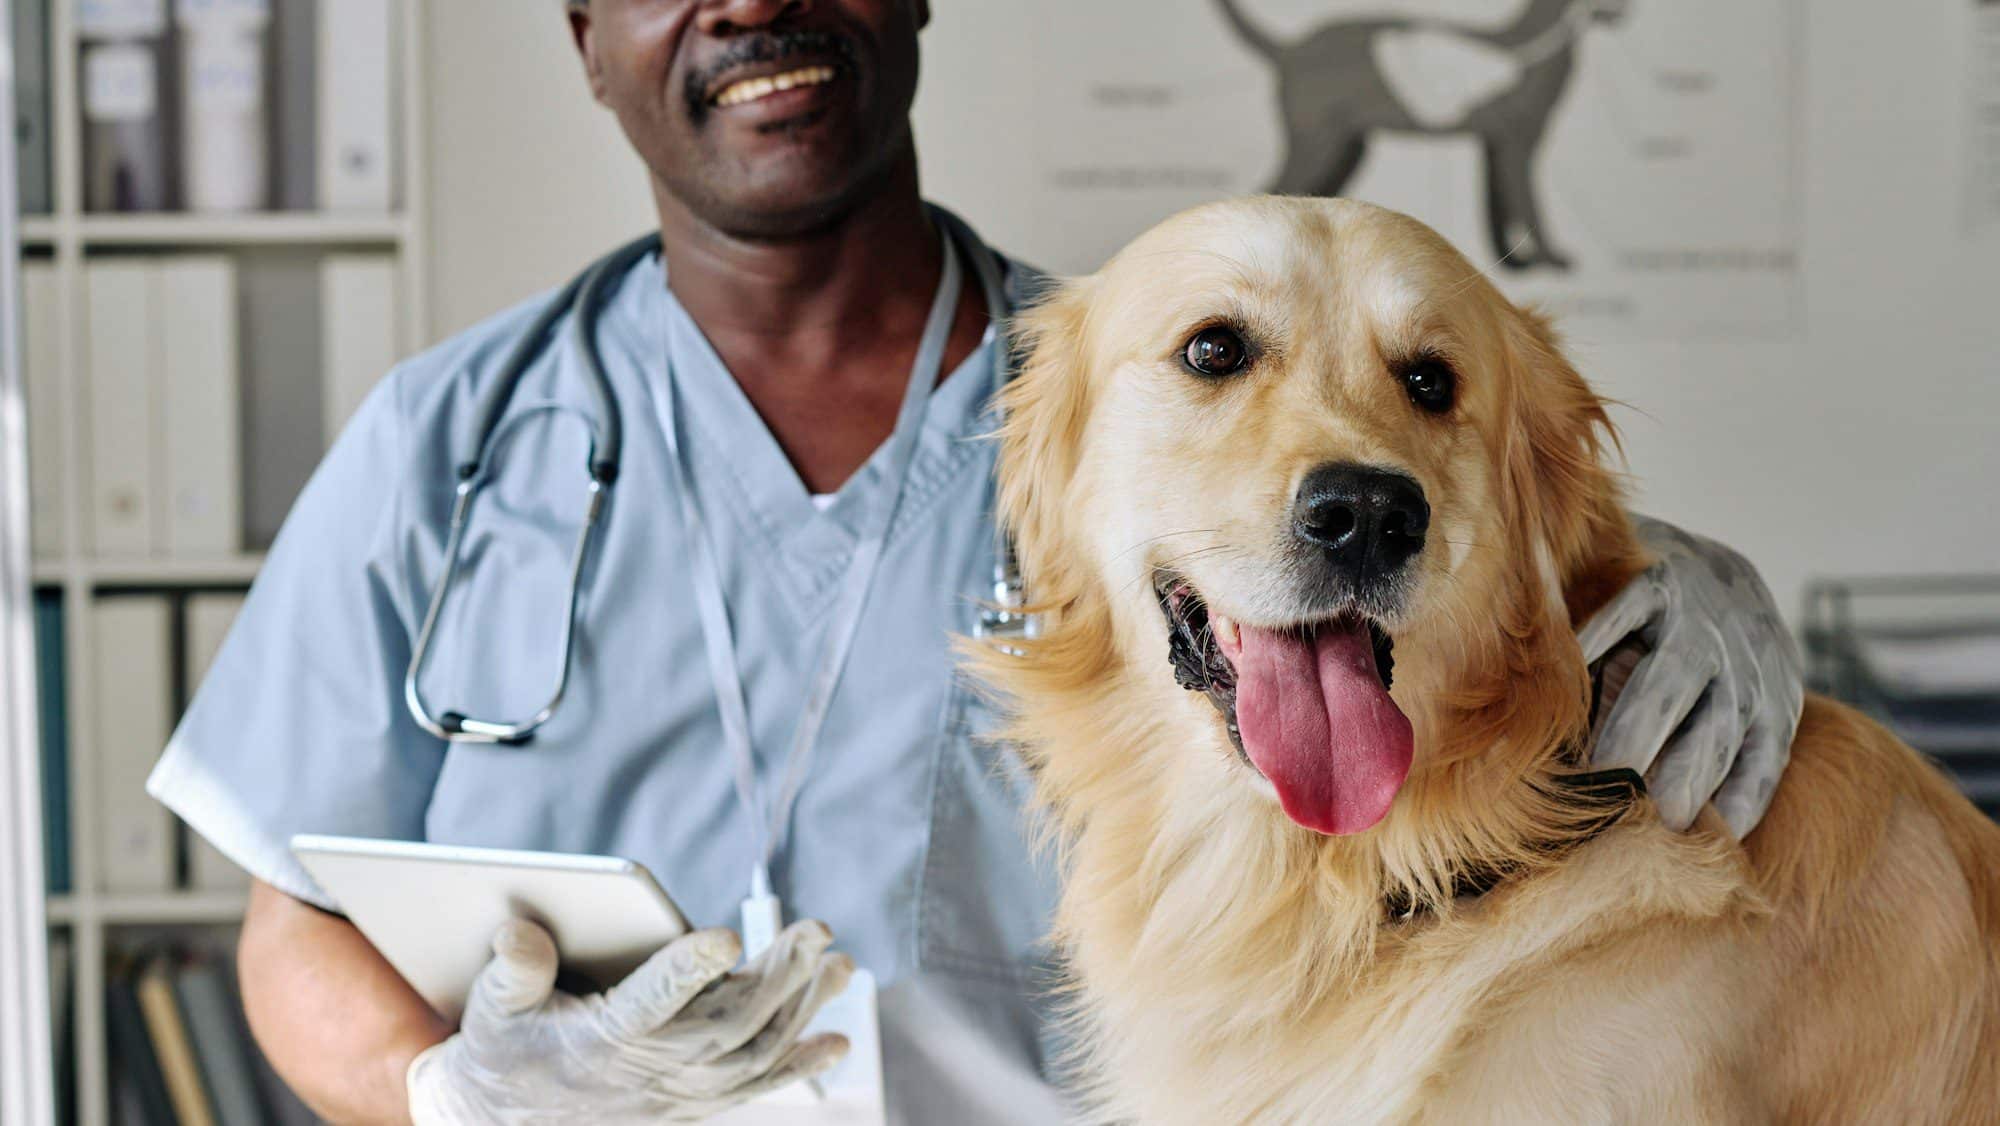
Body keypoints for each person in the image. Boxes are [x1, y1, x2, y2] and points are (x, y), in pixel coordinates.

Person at [144, 1, 1807, 1122]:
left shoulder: (1161, 395)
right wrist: (455, 1095)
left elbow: (1410, 560)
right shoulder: (448, 437)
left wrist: (1640, 567)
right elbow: (287, 925)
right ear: (585, 37)